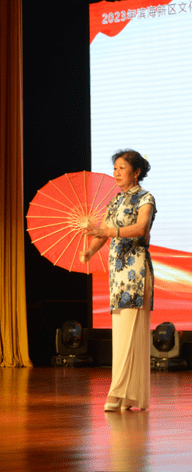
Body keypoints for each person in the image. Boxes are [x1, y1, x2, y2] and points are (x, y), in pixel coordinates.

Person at [80, 149, 155, 412]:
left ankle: (118, 392)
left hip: (136, 272)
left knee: (131, 335)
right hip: (118, 274)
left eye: (122, 168)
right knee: (122, 335)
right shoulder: (116, 201)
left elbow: (141, 228)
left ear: (136, 172)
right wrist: (89, 250)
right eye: (115, 169)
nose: (116, 173)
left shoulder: (145, 198)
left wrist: (109, 231)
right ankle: (129, 396)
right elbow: (103, 232)